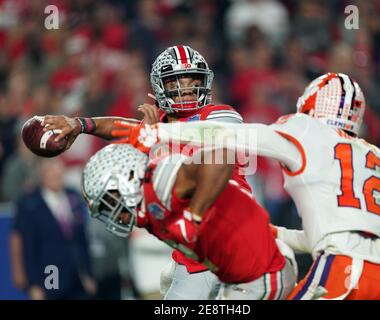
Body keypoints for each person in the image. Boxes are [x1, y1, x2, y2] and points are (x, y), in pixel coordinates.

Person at [115, 72, 380, 300]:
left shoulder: (306, 128)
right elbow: (337, 232)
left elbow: (230, 135)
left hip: (345, 270)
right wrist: (278, 233)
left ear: (311, 106)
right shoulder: (374, 155)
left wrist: (159, 131)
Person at [41, 45, 250, 299]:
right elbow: (125, 129)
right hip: (194, 249)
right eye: (176, 83)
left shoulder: (220, 115)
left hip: (228, 235)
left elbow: (200, 150)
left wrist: (153, 136)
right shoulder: (160, 127)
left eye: (192, 80)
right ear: (161, 88)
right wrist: (81, 124)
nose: (186, 89)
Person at [81, 143, 297, 300]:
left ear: (127, 180)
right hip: (235, 274)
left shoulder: (161, 181)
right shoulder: (144, 208)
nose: (112, 213)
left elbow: (220, 156)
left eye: (110, 200)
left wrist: (194, 216)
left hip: (259, 275)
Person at [14, 158, 96, 300]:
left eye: (58, 171)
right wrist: (34, 284)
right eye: (51, 172)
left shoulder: (73, 196)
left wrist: (88, 273)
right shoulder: (30, 203)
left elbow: (82, 239)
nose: (56, 175)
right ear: (42, 175)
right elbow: (28, 246)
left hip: (75, 274)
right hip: (51, 272)